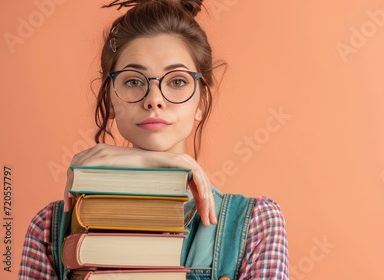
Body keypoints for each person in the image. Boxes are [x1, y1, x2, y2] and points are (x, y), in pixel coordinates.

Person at [18, 0, 288, 279]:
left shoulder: (256, 224)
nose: (154, 100)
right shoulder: (49, 228)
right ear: (109, 99)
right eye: (134, 81)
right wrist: (155, 160)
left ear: (201, 103)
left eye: (178, 81)